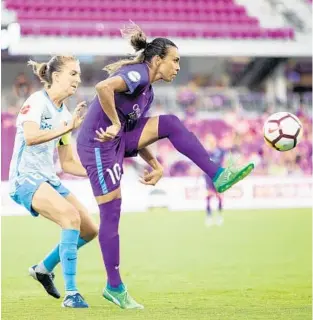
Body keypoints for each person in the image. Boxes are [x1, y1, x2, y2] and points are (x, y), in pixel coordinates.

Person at [76, 22, 254, 310]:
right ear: (157, 60)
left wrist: (155, 163)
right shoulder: (138, 73)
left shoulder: (148, 92)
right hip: (97, 143)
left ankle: (218, 175)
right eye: (175, 60)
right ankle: (114, 287)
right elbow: (102, 87)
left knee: (170, 123)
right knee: (111, 212)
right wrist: (115, 122)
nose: (178, 67)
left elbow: (135, 131)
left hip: (116, 138)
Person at [8, 56, 98, 308]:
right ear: (56, 76)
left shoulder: (65, 114)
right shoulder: (36, 102)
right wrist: (66, 128)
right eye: (73, 74)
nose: (78, 80)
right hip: (25, 178)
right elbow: (31, 137)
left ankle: (43, 268)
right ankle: (72, 294)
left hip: (48, 178)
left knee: (90, 229)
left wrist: (97, 171)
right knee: (70, 218)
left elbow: (67, 163)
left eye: (78, 75)